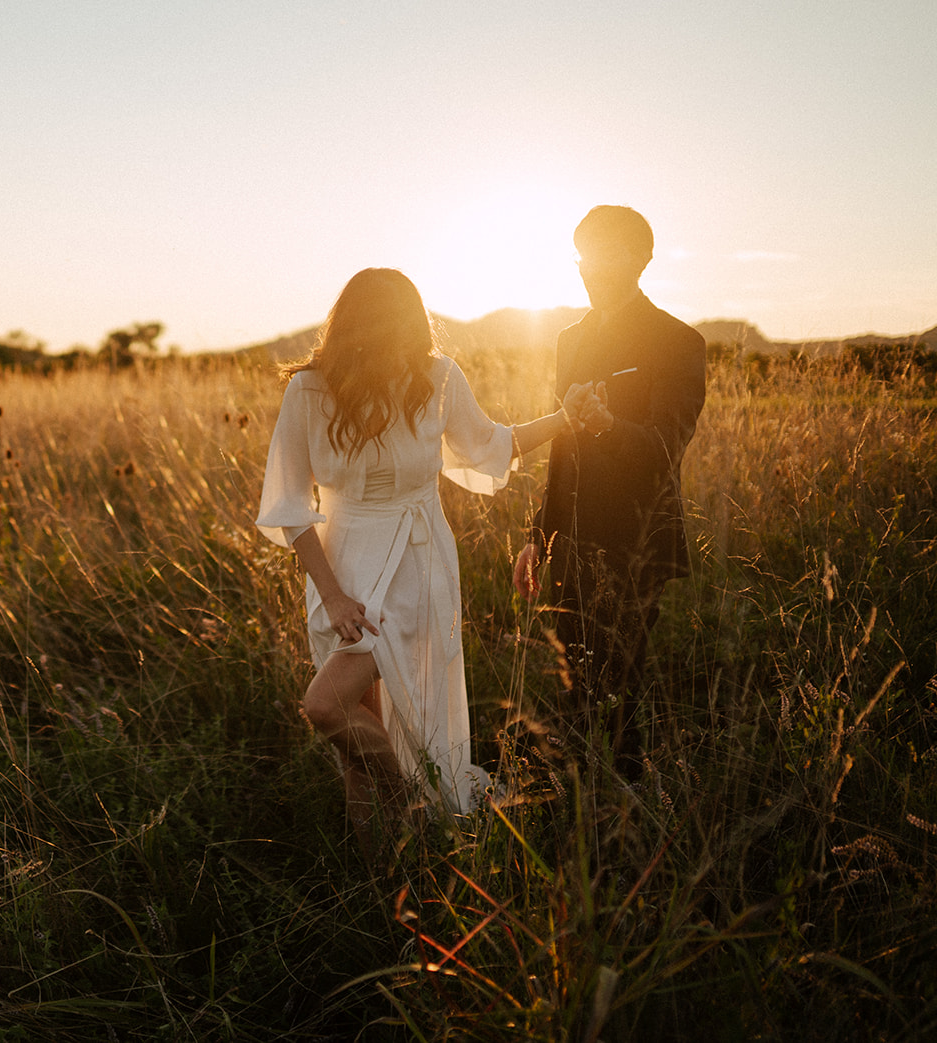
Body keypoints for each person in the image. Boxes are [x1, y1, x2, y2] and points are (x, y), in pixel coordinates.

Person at [258, 268, 596, 829]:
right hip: (341, 561)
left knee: (326, 704)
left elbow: (490, 445)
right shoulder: (310, 390)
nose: (395, 343)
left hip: (418, 559)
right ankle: (381, 879)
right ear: (356, 326)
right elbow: (291, 509)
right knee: (353, 731)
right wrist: (335, 596)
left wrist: (565, 419)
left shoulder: (436, 377)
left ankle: (412, 803)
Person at [513, 206, 706, 777]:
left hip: (635, 541)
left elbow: (667, 446)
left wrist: (608, 427)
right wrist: (538, 537)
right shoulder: (569, 340)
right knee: (575, 683)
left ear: (642, 260)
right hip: (569, 538)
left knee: (619, 688)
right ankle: (581, 805)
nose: (588, 269)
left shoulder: (679, 341)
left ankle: (624, 814)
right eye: (582, 255)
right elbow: (562, 451)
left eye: (603, 255)